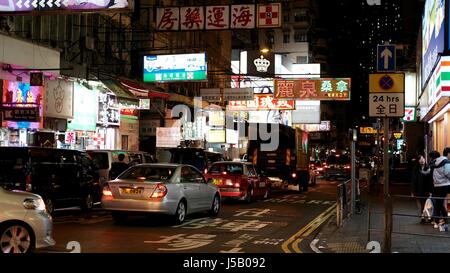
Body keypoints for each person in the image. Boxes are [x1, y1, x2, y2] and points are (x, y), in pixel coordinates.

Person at [430, 149, 450, 230]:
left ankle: (437, 221)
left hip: (437, 185)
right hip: (445, 184)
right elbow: (448, 173)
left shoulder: (436, 161)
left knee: (439, 203)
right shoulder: (446, 162)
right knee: (440, 203)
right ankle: (445, 220)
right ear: (448, 154)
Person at [410, 155, 433, 223]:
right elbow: (413, 180)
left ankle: (429, 217)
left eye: (423, 158)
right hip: (419, 189)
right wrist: (413, 191)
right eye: (420, 159)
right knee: (422, 204)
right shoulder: (416, 169)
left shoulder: (428, 168)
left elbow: (430, 180)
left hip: (427, 189)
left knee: (428, 203)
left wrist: (431, 190)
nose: (422, 160)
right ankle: (423, 217)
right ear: (418, 161)